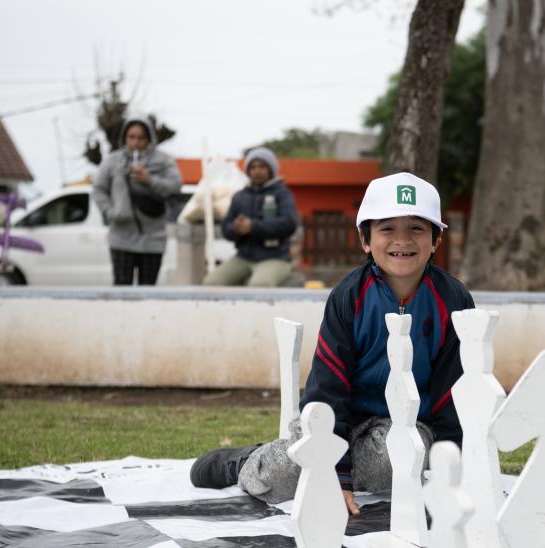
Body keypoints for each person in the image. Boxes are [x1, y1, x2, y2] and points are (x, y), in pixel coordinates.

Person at [191, 172, 474, 516]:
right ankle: (246, 462)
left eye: (416, 228)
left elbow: (452, 392)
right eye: (387, 229)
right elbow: (327, 386)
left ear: (436, 239)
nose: (402, 240)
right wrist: (335, 476)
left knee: (395, 460)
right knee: (277, 480)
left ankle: (337, 460)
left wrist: (449, 471)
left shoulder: (453, 298)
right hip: (339, 416)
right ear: (365, 239)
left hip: (406, 424)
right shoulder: (349, 296)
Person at [92, 114, 182, 285]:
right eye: (131, 137)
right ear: (124, 137)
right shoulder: (113, 160)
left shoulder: (163, 160)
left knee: (147, 291)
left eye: (141, 138)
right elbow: (98, 190)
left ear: (149, 138)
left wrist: (148, 179)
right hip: (121, 237)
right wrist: (111, 212)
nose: (135, 142)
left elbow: (175, 186)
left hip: (153, 238)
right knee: (121, 288)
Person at [202, 147, 299, 287]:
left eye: (262, 166)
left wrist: (252, 227)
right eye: (253, 167)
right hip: (243, 257)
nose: (257, 171)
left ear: (271, 169)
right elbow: (226, 227)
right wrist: (236, 228)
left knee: (260, 285)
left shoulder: (282, 194)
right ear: (248, 171)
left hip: (275, 258)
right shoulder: (240, 196)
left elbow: (289, 223)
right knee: (212, 283)